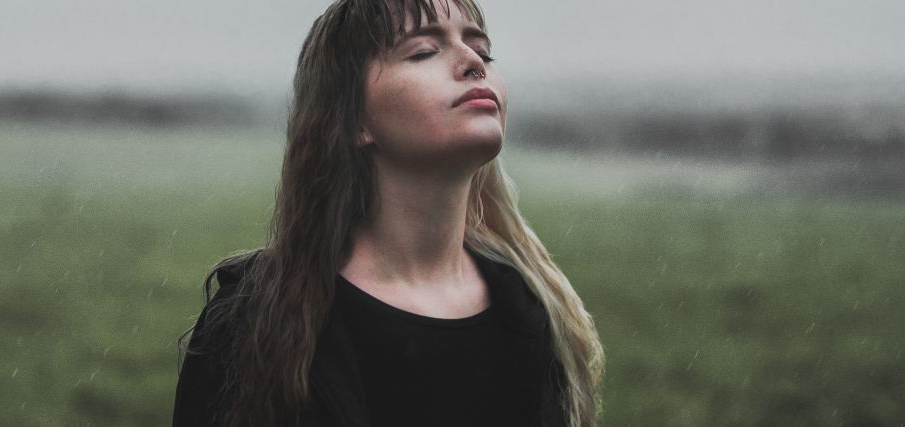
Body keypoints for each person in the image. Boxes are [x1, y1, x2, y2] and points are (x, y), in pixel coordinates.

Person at [173, 0, 604, 425]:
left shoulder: (533, 312)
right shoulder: (253, 321)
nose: (474, 62)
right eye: (423, 51)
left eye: (483, 51)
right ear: (354, 120)